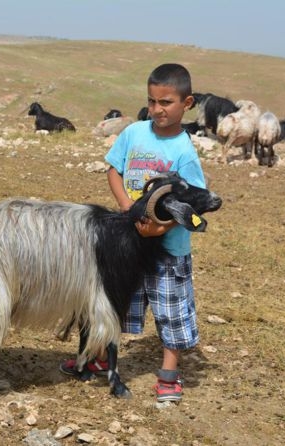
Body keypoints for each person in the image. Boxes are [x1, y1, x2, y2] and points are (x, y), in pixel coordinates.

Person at [61, 63, 205, 403]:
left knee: (170, 309)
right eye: (152, 101)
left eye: (166, 102)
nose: (157, 110)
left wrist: (162, 226)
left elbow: (193, 201)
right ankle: (98, 358)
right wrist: (127, 206)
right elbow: (114, 169)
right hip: (128, 244)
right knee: (119, 303)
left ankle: (169, 374)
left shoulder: (184, 151)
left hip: (169, 248)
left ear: (187, 103)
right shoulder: (134, 133)